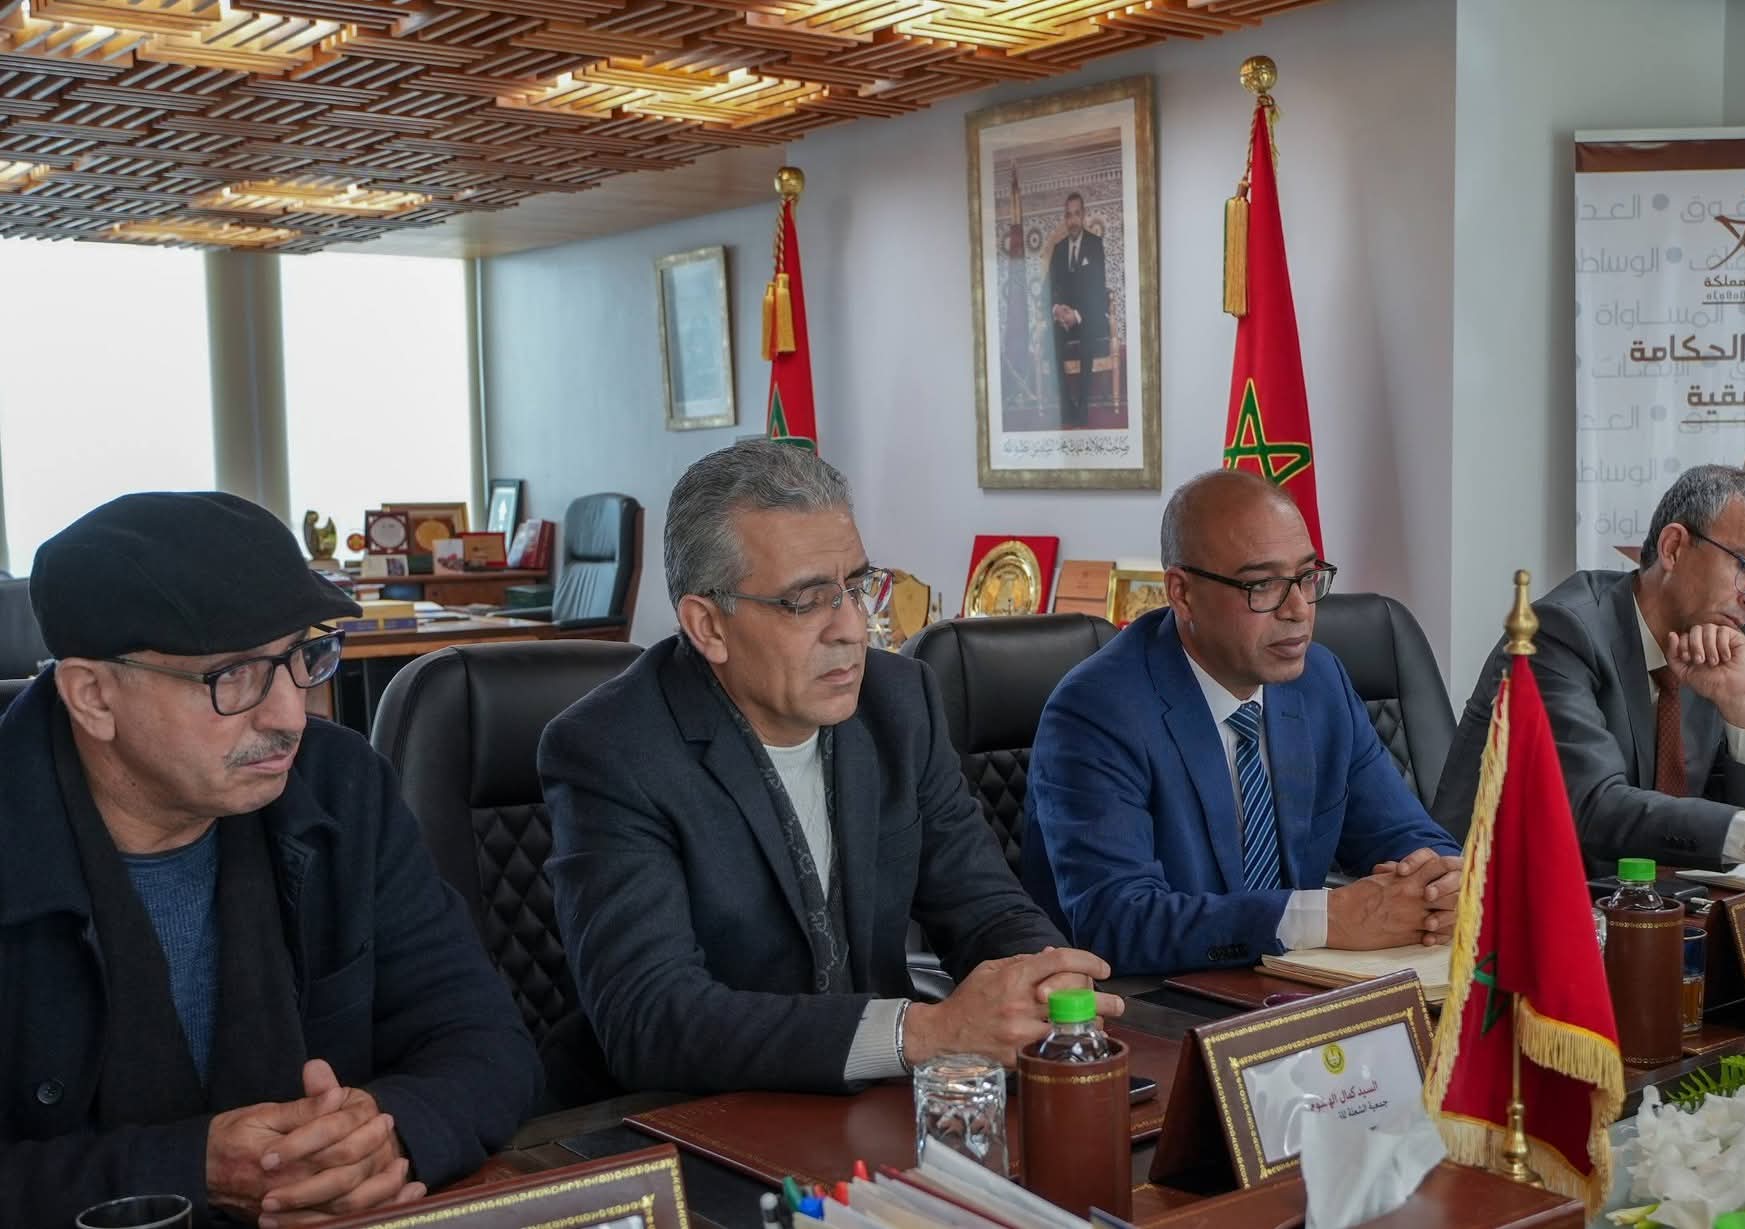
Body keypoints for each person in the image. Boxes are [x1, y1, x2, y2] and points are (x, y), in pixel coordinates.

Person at [0, 493, 540, 1229]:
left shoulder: (340, 785)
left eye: (301, 657)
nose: (290, 715)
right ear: (93, 697)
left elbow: (487, 1041)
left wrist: (381, 1139)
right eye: (234, 675)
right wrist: (188, 1170)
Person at [542, 441, 1114, 1096]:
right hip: (689, 1117)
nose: (851, 628)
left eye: (857, 587)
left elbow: (984, 906)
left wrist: (1044, 980)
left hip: (875, 1107)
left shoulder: (899, 703)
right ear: (708, 626)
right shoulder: (612, 749)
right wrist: (922, 1033)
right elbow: (652, 1017)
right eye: (807, 601)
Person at [1021, 469, 1462, 977]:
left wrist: (1443, 886)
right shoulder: (1097, 711)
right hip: (1153, 1002)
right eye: (1263, 585)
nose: (1298, 610)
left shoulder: (1319, 681)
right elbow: (1118, 920)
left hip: (1292, 990)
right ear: (1182, 594)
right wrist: (1325, 918)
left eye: (1307, 577)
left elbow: (1406, 836)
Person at [1435, 465, 1745, 872]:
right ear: (1673, 548)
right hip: (1493, 915)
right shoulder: (1559, 633)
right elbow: (1594, 809)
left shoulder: (1706, 643)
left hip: (1635, 911)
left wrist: (1744, 710)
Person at [1045, 191, 1110, 428]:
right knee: (1050, 338)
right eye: (1068, 215)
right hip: (1065, 320)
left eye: (1076, 214)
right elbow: (1050, 287)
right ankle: (1067, 407)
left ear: (1083, 215)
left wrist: (1077, 315)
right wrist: (1057, 309)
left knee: (1087, 336)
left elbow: (1098, 290)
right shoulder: (1059, 248)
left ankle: (1082, 408)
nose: (1072, 220)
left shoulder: (1095, 245)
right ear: (1065, 218)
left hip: (1087, 317)